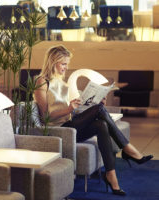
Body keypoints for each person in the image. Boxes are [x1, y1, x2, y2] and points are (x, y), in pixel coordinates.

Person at [33, 45, 153, 196]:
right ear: (52, 62)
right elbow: (45, 117)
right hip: (58, 130)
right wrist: (70, 109)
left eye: (67, 64)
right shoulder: (41, 81)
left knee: (101, 124)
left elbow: (72, 111)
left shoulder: (62, 83)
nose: (66, 67)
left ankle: (111, 175)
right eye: (63, 63)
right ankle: (128, 149)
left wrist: (89, 104)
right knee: (99, 111)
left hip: (70, 125)